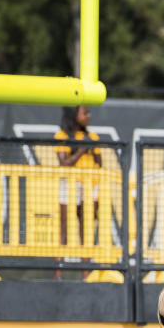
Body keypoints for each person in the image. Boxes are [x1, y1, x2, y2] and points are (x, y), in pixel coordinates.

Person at [55, 105, 102, 247]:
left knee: (86, 228)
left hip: (90, 185)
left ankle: (86, 269)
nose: (89, 116)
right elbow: (63, 163)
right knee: (64, 226)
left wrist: (90, 147)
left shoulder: (93, 137)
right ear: (74, 115)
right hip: (70, 184)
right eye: (85, 113)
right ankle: (58, 267)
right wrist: (82, 150)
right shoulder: (62, 136)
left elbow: (99, 163)